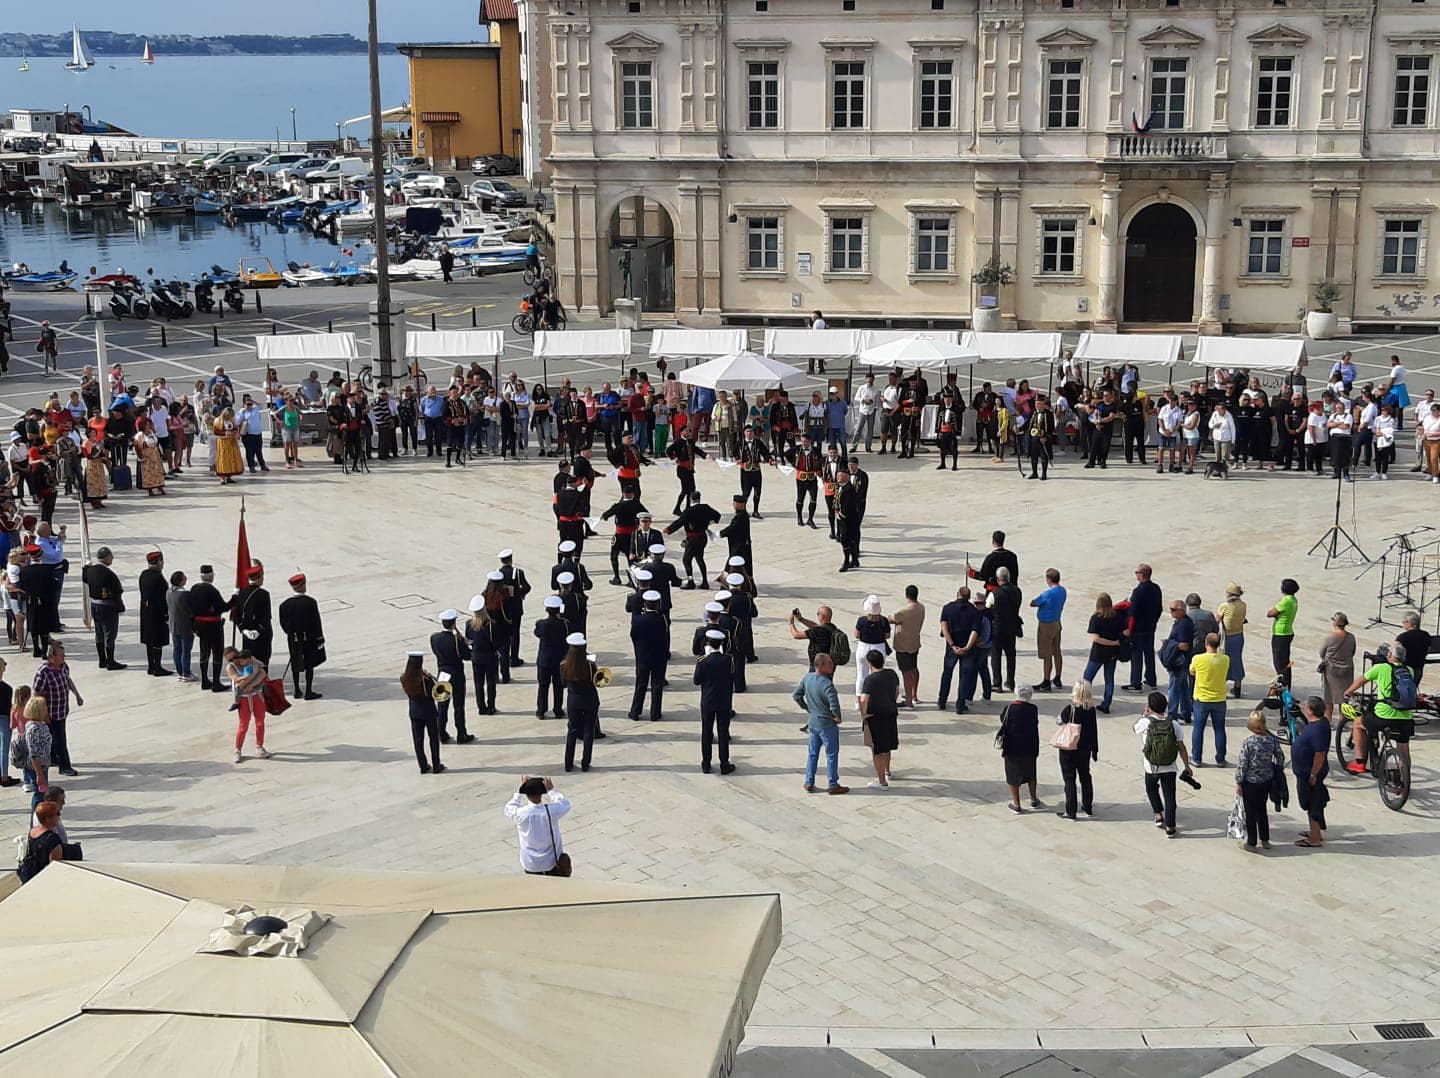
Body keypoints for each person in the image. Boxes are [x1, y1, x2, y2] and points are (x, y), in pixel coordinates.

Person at [1345, 641, 1415, 780]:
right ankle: (1405, 781)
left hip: (1384, 715)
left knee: (1358, 724)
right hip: (1406, 717)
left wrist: (1348, 692)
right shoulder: (1409, 670)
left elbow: (1361, 680)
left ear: (1389, 655)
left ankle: (1359, 763)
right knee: (1404, 749)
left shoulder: (1381, 668)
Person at [1135, 690, 1195, 837]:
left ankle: (1158, 814)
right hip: (1170, 766)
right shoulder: (1173, 724)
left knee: (1151, 789)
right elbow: (1181, 746)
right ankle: (1170, 826)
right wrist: (1187, 765)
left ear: (1149, 707)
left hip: (1151, 766)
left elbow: (1134, 729)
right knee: (1170, 796)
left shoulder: (1146, 722)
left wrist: (1145, 715)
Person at [794, 653, 847, 794]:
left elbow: (796, 695)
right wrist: (837, 717)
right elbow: (834, 705)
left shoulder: (807, 678)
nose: (832, 665)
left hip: (813, 722)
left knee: (812, 753)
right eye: (830, 663)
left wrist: (807, 708)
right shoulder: (827, 684)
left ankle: (809, 781)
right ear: (821, 666)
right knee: (831, 754)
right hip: (827, 724)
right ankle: (832, 783)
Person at [1234, 711, 1284, 852]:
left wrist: (1238, 781)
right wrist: (1275, 769)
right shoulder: (1272, 740)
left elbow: (1243, 764)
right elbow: (1280, 757)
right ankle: (1265, 839)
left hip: (1250, 782)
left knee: (1250, 813)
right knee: (1262, 810)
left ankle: (1251, 842)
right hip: (1266, 780)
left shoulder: (1248, 743)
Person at [32, 643, 81, 778]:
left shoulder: (64, 667)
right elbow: (36, 693)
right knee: (60, 740)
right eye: (61, 655)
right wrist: (43, 713)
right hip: (50, 713)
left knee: (55, 738)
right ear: (52, 657)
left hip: (62, 709)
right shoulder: (44, 672)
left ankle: (54, 758)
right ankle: (65, 766)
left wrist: (77, 695)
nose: (64, 657)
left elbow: (68, 680)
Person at [505, 776, 571, 876]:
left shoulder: (520, 813)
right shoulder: (551, 811)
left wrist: (519, 792)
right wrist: (552, 791)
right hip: (552, 863)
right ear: (541, 795)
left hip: (530, 864)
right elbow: (565, 804)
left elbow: (509, 807)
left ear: (526, 795)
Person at [1055, 680, 1100, 820]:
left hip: (1069, 749)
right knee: (1085, 777)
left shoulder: (1070, 709)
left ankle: (1071, 811)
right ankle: (1087, 807)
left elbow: (1059, 721)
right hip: (1085, 749)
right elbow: (1094, 731)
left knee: (1069, 779)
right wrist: (1095, 749)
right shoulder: (1091, 710)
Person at [695, 627, 736, 774]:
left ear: (708, 643)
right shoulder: (728, 659)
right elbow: (733, 676)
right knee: (723, 732)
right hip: (724, 701)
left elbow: (696, 681)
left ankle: (706, 763)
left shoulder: (702, 661)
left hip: (707, 701)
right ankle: (724, 764)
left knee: (706, 732)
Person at [279, 572, 325, 701]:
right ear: (302, 585)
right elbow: (316, 622)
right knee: (309, 664)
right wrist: (320, 638)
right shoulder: (310, 602)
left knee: (295, 663)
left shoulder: (284, 605)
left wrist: (291, 633)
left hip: (293, 639)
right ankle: (309, 691)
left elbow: (283, 624)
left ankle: (297, 690)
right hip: (309, 639)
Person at [430, 610, 474, 745]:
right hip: (456, 675)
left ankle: (441, 733)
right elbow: (467, 656)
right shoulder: (456, 640)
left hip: (443, 674)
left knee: (442, 706)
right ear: (453, 623)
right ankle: (461, 733)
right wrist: (465, 644)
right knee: (458, 706)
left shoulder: (434, 638)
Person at [1292, 695, 1330, 848]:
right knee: (1311, 801)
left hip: (1310, 773)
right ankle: (1314, 831)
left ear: (1311, 711)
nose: (1304, 707)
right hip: (1305, 771)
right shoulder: (1318, 723)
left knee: (1311, 802)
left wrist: (1313, 774)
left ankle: (1314, 837)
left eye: (1306, 706)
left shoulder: (1318, 729)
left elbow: (1320, 754)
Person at [858, 649, 900, 790]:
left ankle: (882, 782)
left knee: (877, 750)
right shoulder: (891, 674)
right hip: (890, 713)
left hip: (875, 717)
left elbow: (864, 699)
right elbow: (896, 690)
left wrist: (863, 714)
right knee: (887, 746)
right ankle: (887, 771)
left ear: (870, 663)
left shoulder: (870, 680)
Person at [936, 586, 980, 714]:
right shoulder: (974, 611)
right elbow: (975, 631)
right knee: (964, 677)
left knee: (947, 673)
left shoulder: (948, 608)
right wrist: (967, 646)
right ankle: (960, 705)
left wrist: (952, 645)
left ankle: (942, 701)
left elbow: (944, 628)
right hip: (968, 648)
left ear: (957, 594)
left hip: (952, 647)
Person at [1189, 633, 1231, 766]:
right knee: (1219, 729)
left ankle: (1196, 758)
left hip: (1201, 699)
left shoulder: (1198, 658)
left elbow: (1192, 672)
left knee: (1198, 728)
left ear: (1206, 643)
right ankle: (1220, 759)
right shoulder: (1225, 659)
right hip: (1219, 699)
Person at [999, 684, 1042, 812]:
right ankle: (1034, 799)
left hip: (1012, 747)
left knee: (1012, 775)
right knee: (1031, 774)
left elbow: (1003, 720)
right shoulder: (1034, 709)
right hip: (1030, 746)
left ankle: (1017, 804)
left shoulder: (1010, 708)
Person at [81, 546, 126, 671]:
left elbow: (85, 578)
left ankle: (102, 660)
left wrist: (85, 568)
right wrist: (120, 607)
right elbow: (118, 590)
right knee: (110, 635)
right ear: (106, 558)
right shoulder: (109, 574)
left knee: (99, 633)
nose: (112, 559)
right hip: (108, 607)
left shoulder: (90, 571)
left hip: (95, 605)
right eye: (111, 556)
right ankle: (110, 661)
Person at [223, 647, 269, 764]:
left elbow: (263, 672)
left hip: (256, 695)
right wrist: (252, 674)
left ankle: (260, 747)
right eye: (231, 659)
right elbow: (237, 680)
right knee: (243, 725)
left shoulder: (251, 660)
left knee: (260, 722)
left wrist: (252, 684)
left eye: (235, 657)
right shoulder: (231, 667)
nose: (235, 661)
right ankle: (237, 750)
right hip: (243, 699)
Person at [400, 651, 444, 774]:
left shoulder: (404, 678)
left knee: (418, 740)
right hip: (428, 711)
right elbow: (436, 694)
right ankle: (436, 764)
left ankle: (423, 766)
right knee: (433, 738)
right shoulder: (425, 680)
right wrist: (431, 678)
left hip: (414, 711)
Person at [561, 634, 600, 772]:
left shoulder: (564, 665)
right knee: (588, 730)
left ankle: (568, 763)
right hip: (590, 699)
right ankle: (585, 762)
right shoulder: (589, 664)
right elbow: (596, 680)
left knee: (572, 731)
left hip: (573, 701)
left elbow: (563, 683)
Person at [628, 590, 668, 722]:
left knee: (641, 684)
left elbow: (633, 635)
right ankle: (655, 713)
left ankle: (635, 711)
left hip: (643, 656)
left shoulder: (638, 619)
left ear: (645, 603)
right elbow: (666, 638)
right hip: (658, 656)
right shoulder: (662, 619)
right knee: (657, 684)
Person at [1081, 593, 1124, 713]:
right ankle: (1106, 704)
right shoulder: (1117, 617)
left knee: (1087, 678)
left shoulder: (1096, 618)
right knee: (1109, 679)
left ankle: (1083, 701)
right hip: (1112, 654)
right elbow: (1124, 631)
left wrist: (1112, 642)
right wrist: (1115, 643)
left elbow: (1096, 638)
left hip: (1098, 653)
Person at [189, 565, 228, 691]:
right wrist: (234, 599)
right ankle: (216, 682)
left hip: (200, 626)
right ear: (211, 576)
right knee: (217, 653)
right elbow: (223, 607)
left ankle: (205, 680)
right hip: (214, 626)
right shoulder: (212, 590)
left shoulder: (194, 588)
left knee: (204, 652)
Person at [1123, 564, 1162, 692]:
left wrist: (1129, 629)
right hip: (1150, 627)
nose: (1136, 574)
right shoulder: (1156, 588)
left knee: (1136, 655)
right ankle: (1151, 681)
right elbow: (1159, 609)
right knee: (1149, 653)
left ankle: (1136, 683)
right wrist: (1154, 622)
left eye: (1137, 572)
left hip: (1138, 629)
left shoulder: (1138, 591)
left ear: (1142, 574)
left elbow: (1132, 613)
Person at [1031, 569, 1067, 692]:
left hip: (1046, 625)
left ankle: (1046, 681)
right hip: (1057, 622)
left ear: (1049, 579)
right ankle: (1057, 678)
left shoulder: (1048, 593)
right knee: (1057, 651)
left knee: (1047, 654)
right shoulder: (1063, 591)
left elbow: (1033, 603)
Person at [1161, 599, 1195, 724]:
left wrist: (1171, 645)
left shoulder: (1183, 625)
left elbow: (1184, 645)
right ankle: (1186, 713)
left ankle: (1172, 714)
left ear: (1181, 611)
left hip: (1179, 661)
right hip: (1183, 661)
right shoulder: (1183, 622)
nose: (1171, 612)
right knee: (1183, 687)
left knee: (1174, 688)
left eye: (1173, 610)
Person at [138, 550, 171, 677]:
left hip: (146, 613)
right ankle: (157, 667)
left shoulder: (144, 574)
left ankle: (151, 666)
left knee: (149, 641)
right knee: (157, 641)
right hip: (156, 614)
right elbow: (162, 599)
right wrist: (166, 613)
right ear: (158, 562)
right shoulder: (158, 579)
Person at [534, 595, 568, 719]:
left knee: (543, 685)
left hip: (544, 660)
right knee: (558, 686)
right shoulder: (564, 624)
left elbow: (537, 633)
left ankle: (541, 710)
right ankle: (557, 710)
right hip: (559, 660)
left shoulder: (541, 624)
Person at [1317, 611, 1356, 720]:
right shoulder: (1351, 637)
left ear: (1335, 622)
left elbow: (1321, 653)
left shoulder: (1329, 638)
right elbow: (1353, 652)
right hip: (1347, 670)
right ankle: (1343, 719)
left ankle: (1328, 718)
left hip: (1331, 670)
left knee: (1329, 696)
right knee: (1344, 697)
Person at [891, 585, 926, 708]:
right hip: (914, 642)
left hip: (903, 645)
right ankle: (914, 694)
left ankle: (909, 700)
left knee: (906, 673)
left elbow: (892, 619)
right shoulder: (921, 607)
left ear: (906, 595)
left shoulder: (904, 611)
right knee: (914, 668)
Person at [231, 565, 273, 664]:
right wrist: (258, 630)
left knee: (248, 664)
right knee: (262, 664)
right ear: (259, 578)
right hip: (261, 635)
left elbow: (236, 614)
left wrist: (243, 629)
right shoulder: (264, 594)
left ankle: (249, 679)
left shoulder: (240, 593)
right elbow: (266, 616)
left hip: (247, 634)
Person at [852, 596, 891, 700]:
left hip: (863, 647)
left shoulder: (862, 620)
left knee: (861, 675)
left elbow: (856, 635)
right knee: (877, 675)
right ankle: (874, 698)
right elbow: (887, 635)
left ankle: (859, 700)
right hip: (878, 647)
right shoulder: (884, 621)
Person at [18, 799, 64, 884]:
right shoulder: (53, 838)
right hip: (43, 878)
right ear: (47, 818)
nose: (59, 816)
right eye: (57, 814)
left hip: (32, 873)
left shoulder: (33, 831)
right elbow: (55, 866)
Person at [1216, 581, 1248, 699]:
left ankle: (1220, 688)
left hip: (1226, 638)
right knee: (1237, 660)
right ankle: (1238, 688)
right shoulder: (1243, 605)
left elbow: (1217, 620)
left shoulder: (1224, 606)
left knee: (1223, 662)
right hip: (1239, 636)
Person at [1266, 578, 1299, 689]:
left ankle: (1282, 684)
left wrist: (1273, 613)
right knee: (1286, 662)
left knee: (1278, 663)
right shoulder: (1294, 600)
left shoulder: (1285, 601)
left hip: (1280, 634)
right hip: (1288, 633)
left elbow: (1270, 613)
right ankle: (1287, 685)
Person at [167, 570, 196, 682]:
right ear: (180, 581)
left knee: (177, 649)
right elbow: (190, 610)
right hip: (185, 626)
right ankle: (186, 672)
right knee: (186, 651)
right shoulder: (185, 595)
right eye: (184, 578)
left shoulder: (169, 592)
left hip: (174, 625)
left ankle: (180, 671)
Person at [1396, 611, 1431, 688]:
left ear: (1410, 623)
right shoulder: (1426, 635)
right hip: (1419, 667)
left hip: (1405, 669)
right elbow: (1428, 650)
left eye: (1404, 622)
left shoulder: (1403, 637)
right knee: (1413, 689)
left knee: (1403, 691)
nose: (1403, 624)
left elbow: (1396, 654)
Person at [213, 408, 244, 484]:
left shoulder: (232, 421)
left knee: (231, 459)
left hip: (231, 443)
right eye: (229, 415)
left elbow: (235, 428)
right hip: (223, 443)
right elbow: (215, 432)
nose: (230, 417)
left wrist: (235, 432)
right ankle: (222, 478)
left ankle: (229, 477)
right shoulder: (218, 420)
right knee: (223, 459)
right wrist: (225, 433)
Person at [851, 372, 878, 453]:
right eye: (868, 380)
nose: (869, 381)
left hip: (871, 411)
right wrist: (863, 400)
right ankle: (854, 446)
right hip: (863, 411)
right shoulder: (862, 388)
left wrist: (874, 408)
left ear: (873, 380)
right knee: (858, 429)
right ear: (866, 379)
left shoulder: (875, 389)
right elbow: (856, 398)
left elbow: (876, 402)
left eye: (871, 380)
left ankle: (868, 446)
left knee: (870, 430)